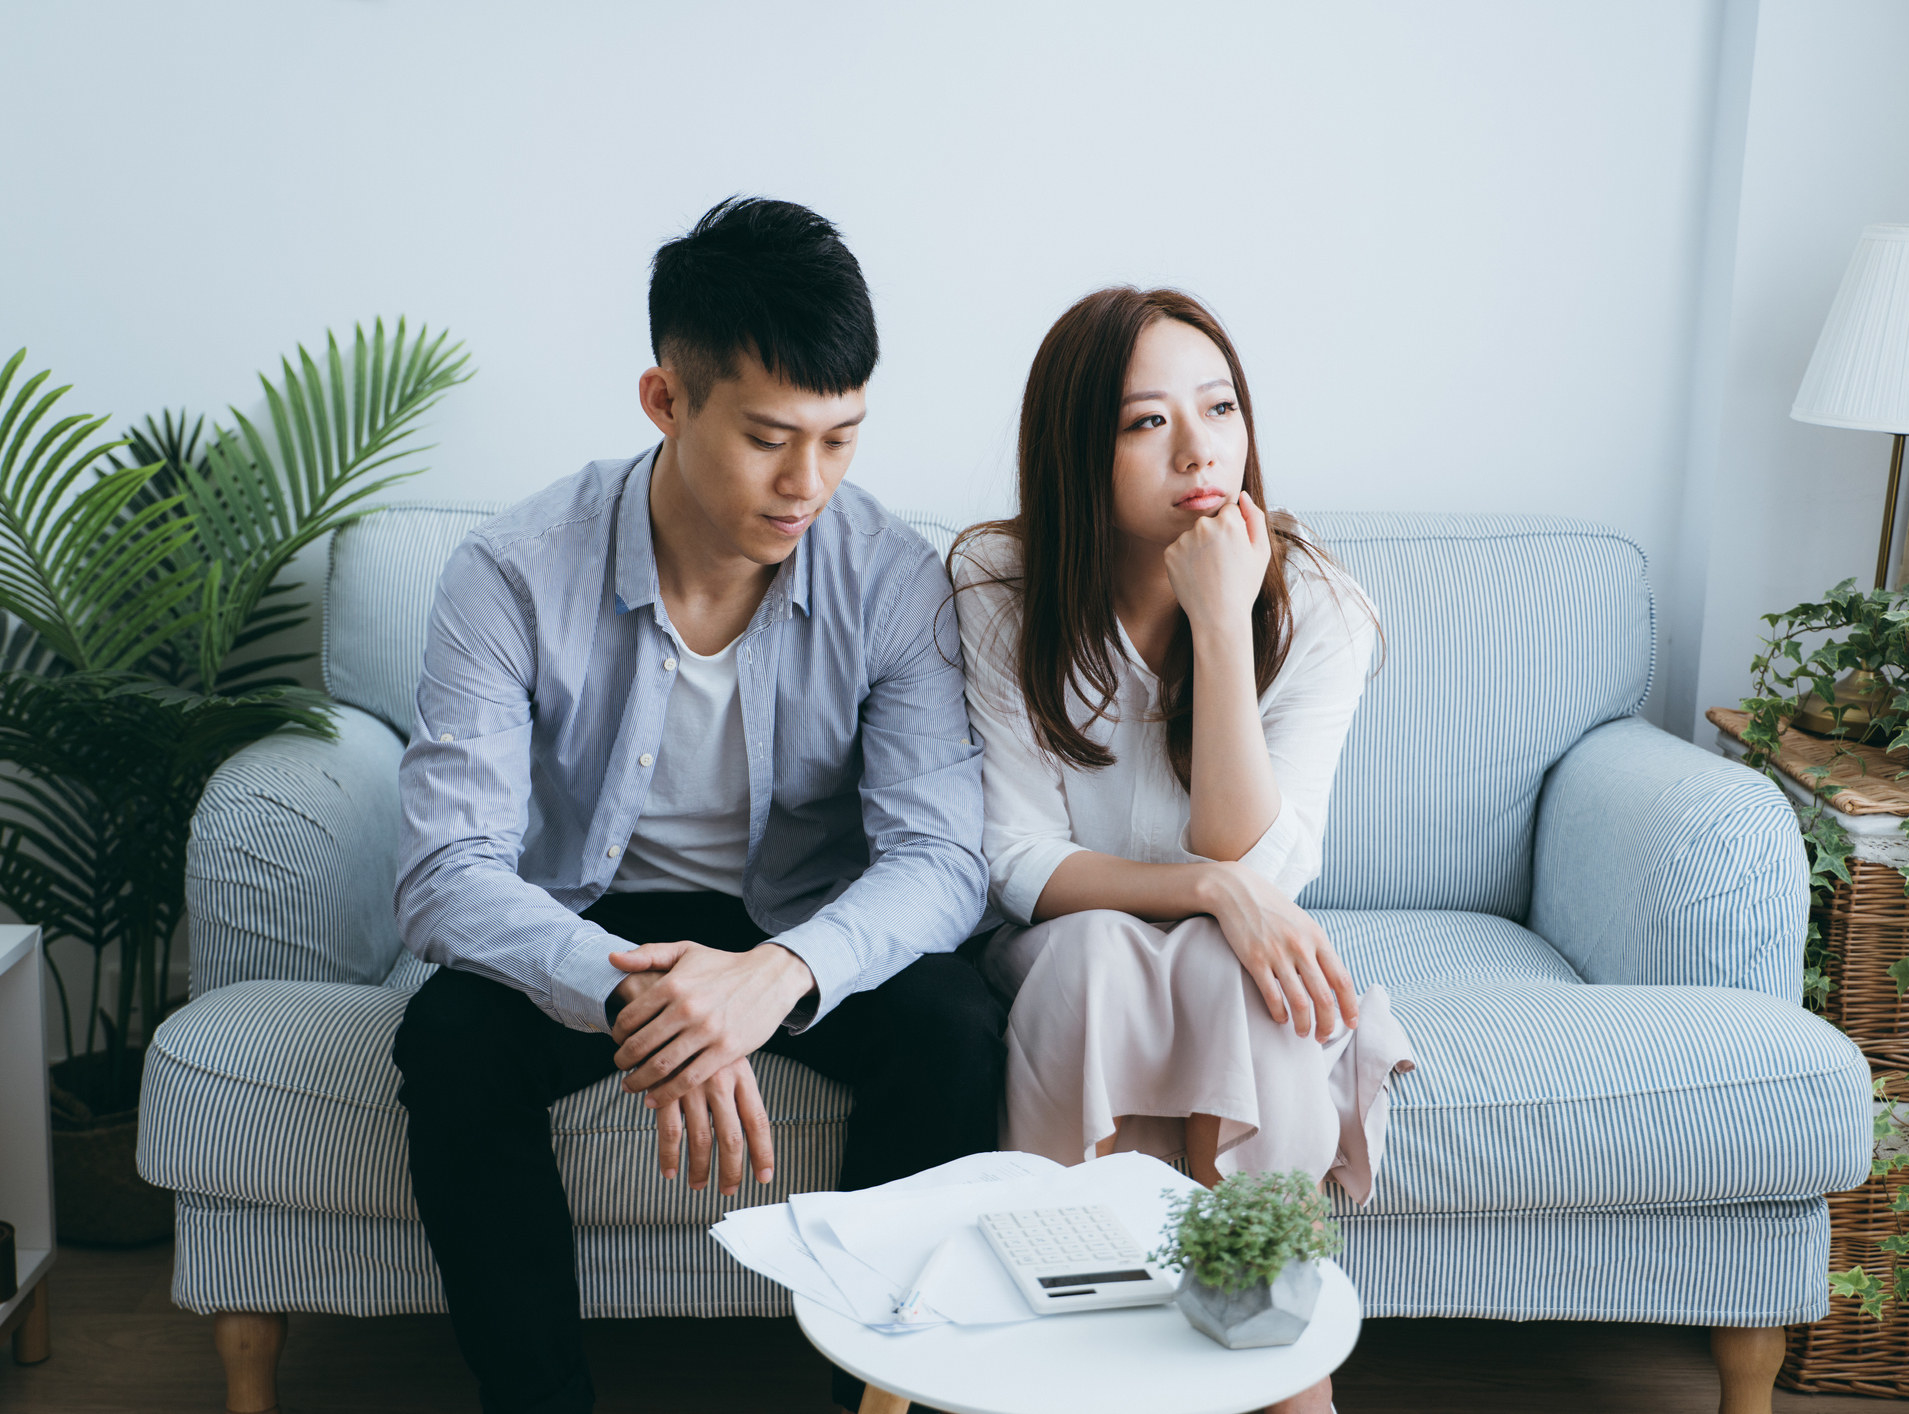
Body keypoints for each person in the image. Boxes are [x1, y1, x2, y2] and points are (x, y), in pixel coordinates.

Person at [391, 196, 1003, 1414]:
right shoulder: (511, 572)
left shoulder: (893, 577)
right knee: (448, 1043)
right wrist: (638, 993)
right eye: (771, 437)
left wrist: (771, 975)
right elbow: (445, 870)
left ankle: (871, 1403)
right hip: (592, 917)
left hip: (797, 918)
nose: (808, 483)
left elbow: (940, 857)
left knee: (954, 1031)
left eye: (840, 438)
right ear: (664, 401)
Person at [951, 286, 1414, 1414]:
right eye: (1145, 421)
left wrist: (1219, 619)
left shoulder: (1316, 603)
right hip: (1066, 940)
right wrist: (1207, 887)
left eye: (1219, 407)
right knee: (1098, 959)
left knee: (1243, 974)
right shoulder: (995, 586)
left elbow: (1260, 867)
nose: (1200, 448)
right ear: (1077, 450)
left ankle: (1276, 1370)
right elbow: (1015, 860)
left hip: (1233, 948)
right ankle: (1070, 1350)